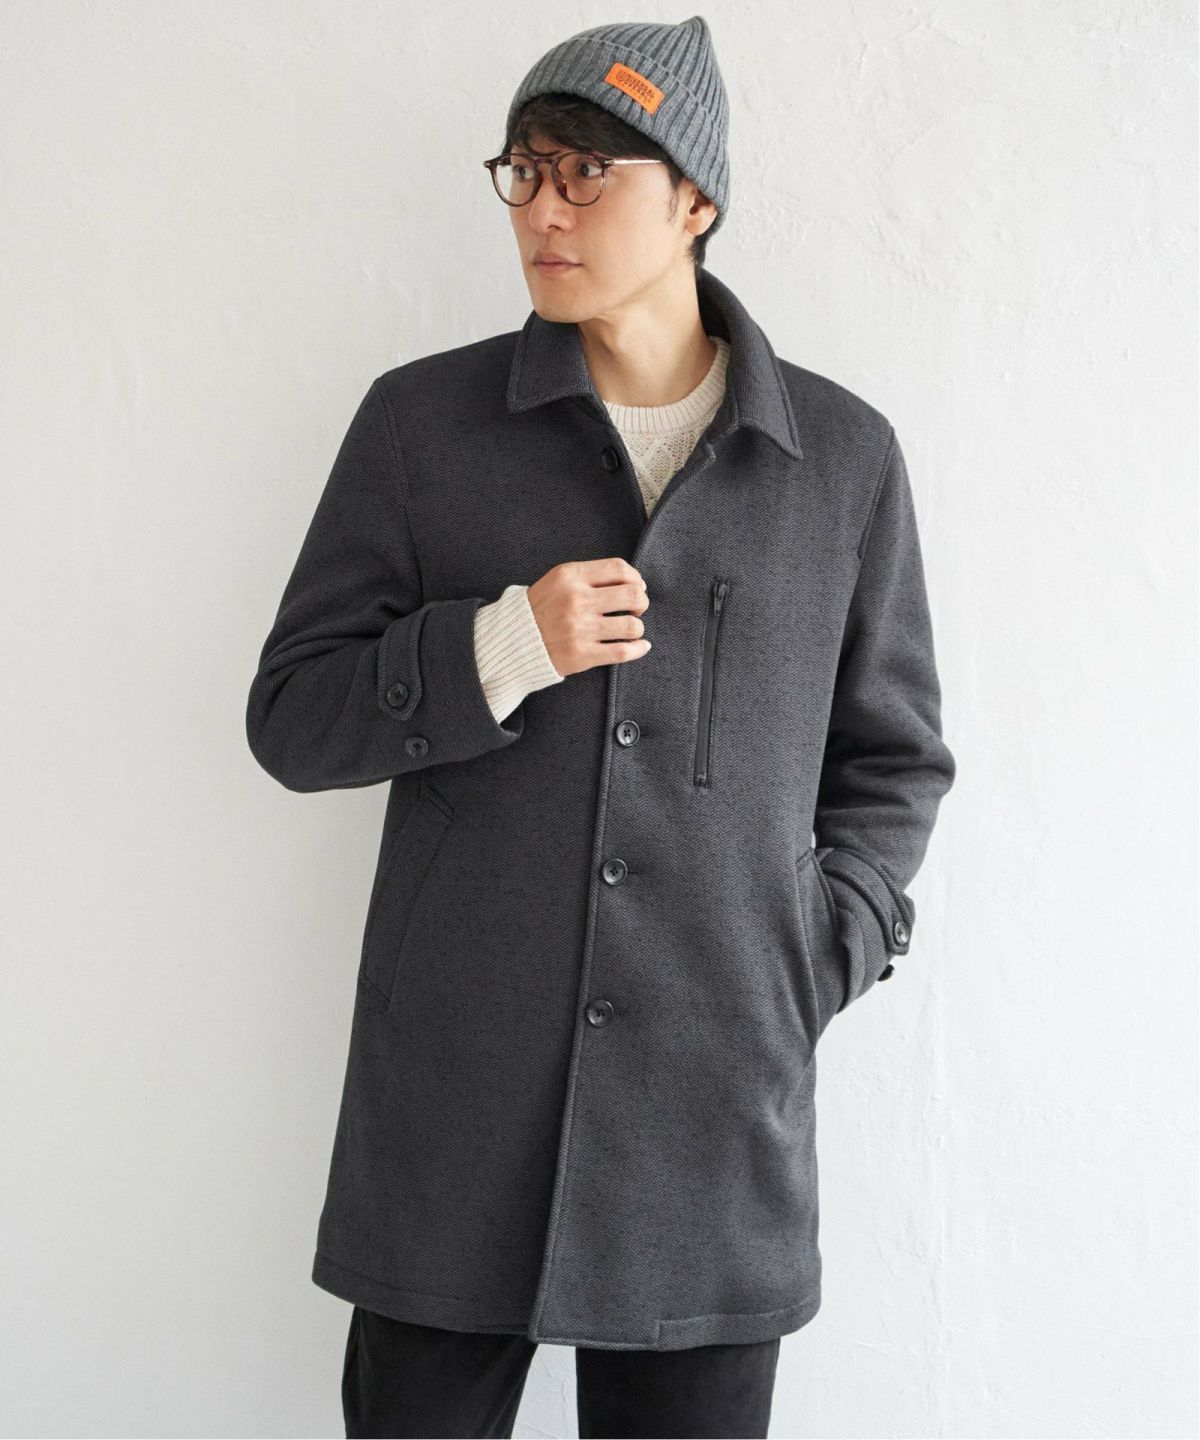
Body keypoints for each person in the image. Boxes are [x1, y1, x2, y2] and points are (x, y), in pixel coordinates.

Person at [246, 15, 956, 1439]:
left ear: (695, 200)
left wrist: (813, 954)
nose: (545, 210)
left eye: (587, 173)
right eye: (524, 172)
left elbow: (894, 757)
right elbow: (295, 718)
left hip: (714, 1109)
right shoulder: (422, 428)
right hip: (456, 1099)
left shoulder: (841, 460)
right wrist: (503, 645)